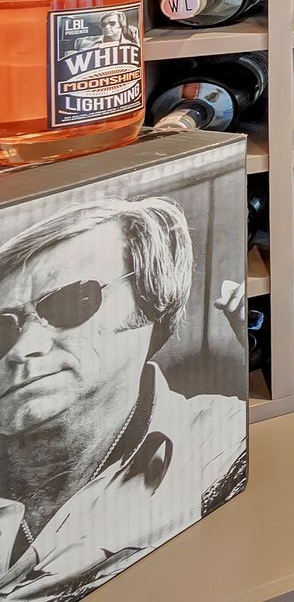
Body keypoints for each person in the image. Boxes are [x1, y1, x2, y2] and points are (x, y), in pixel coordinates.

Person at [0, 198, 244, 599]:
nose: (22, 347)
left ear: (152, 301)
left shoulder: (222, 443)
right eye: (4, 327)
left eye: (70, 303)